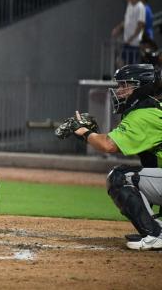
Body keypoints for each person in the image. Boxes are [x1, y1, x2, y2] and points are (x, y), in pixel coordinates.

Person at [69, 64, 162, 250]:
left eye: (125, 85)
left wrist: (85, 133)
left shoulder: (144, 115)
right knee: (144, 172)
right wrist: (93, 136)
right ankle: (156, 229)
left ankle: (155, 235)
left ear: (141, 87)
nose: (119, 91)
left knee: (119, 178)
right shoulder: (152, 109)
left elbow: (108, 145)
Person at [112, 0, 146, 66]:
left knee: (129, 66)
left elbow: (140, 25)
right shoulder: (130, 5)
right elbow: (126, 21)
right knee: (121, 63)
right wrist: (118, 28)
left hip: (134, 44)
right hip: (128, 42)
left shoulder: (140, 7)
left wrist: (131, 38)